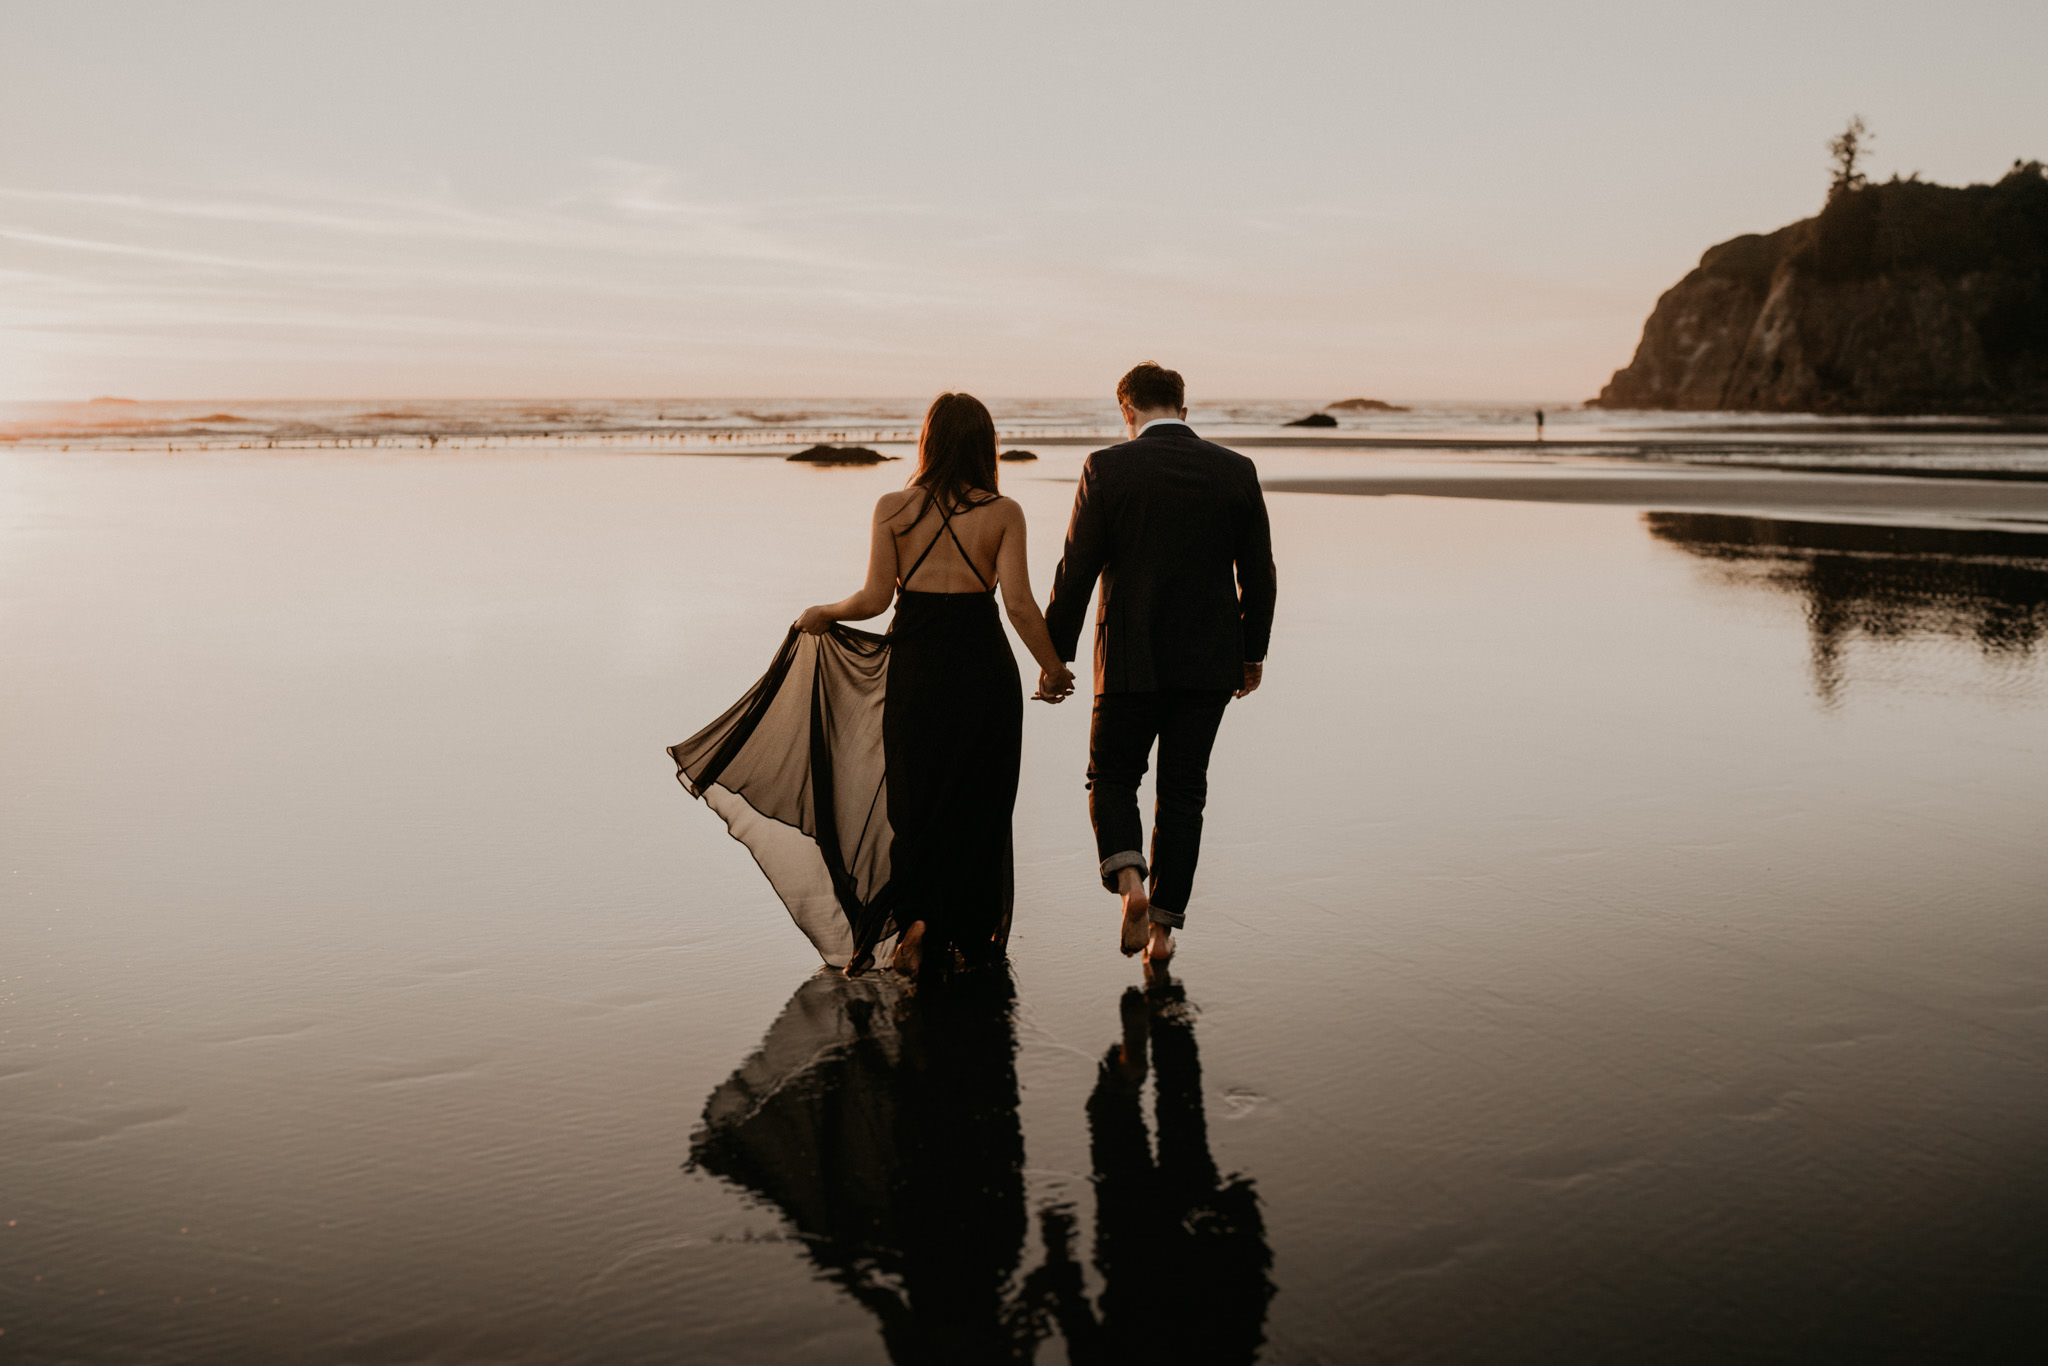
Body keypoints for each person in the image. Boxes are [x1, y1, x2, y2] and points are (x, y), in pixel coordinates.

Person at [795, 393, 1074, 977]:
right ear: (984, 443)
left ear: (929, 440)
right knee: (979, 803)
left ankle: (916, 921)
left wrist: (826, 610)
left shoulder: (893, 507)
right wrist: (1052, 667)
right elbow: (1020, 605)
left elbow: (873, 600)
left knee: (915, 803)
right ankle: (967, 930)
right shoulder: (1004, 512)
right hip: (982, 672)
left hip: (917, 668)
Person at [1043, 363, 1277, 965]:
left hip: (1128, 658)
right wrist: (1252, 653)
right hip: (1208, 662)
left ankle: (1131, 885)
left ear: (1126, 412)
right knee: (1183, 792)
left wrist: (1054, 657)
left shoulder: (1107, 467)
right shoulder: (1236, 469)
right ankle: (1164, 934)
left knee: (1113, 776)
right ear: (1183, 406)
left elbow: (1077, 568)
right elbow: (1259, 574)